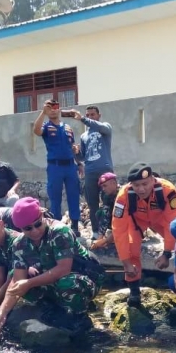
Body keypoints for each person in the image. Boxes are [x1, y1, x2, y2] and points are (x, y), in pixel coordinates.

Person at [0, 197, 106, 337]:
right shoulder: (19, 244)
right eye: (28, 228)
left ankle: (80, 317)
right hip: (53, 280)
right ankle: (52, 307)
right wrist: (1, 313)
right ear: (20, 229)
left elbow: (63, 269)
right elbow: (17, 281)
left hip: (85, 278)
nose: (34, 231)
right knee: (20, 283)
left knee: (67, 282)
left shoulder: (59, 232)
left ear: (42, 216)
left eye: (38, 224)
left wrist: (29, 283)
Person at [111, 162, 176, 306]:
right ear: (131, 184)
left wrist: (167, 253)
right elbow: (119, 230)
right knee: (131, 250)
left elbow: (172, 224)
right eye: (136, 185)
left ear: (152, 180)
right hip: (137, 221)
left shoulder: (168, 191)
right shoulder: (123, 196)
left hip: (161, 219)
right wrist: (126, 262)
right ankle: (134, 292)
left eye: (145, 184)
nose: (141, 189)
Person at [33, 99, 82, 235]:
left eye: (55, 106)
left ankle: (75, 225)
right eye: (50, 107)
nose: (53, 109)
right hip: (55, 167)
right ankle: (57, 225)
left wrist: (79, 163)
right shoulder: (46, 126)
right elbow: (36, 130)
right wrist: (43, 112)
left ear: (59, 109)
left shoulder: (67, 127)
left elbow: (73, 148)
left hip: (70, 167)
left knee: (74, 195)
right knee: (55, 197)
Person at [70, 105, 113, 238]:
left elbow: (98, 126)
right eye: (87, 115)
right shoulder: (84, 136)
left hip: (105, 170)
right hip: (90, 172)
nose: (90, 117)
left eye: (92, 114)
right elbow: (83, 156)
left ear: (99, 115)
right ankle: (95, 232)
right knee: (92, 203)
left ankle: (112, 230)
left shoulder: (105, 128)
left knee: (110, 200)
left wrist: (82, 119)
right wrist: (76, 153)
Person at [89, 172, 119, 250]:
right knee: (100, 213)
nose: (103, 189)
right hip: (116, 220)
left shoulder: (123, 194)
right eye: (102, 187)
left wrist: (105, 240)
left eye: (105, 186)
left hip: (127, 221)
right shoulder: (107, 196)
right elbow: (105, 215)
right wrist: (100, 239)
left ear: (113, 183)